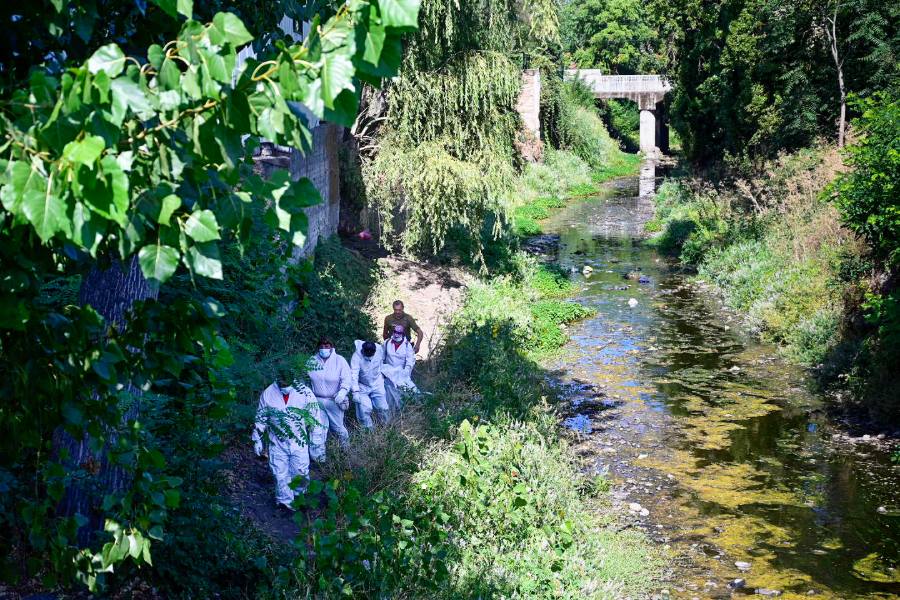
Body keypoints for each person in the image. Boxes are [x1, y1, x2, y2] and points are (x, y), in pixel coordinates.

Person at [251, 370, 316, 512]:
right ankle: (284, 503)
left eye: (288, 383)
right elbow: (261, 416)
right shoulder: (268, 393)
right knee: (279, 472)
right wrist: (257, 438)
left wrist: (316, 440)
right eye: (282, 383)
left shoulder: (305, 393)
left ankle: (300, 498)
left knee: (300, 471)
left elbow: (314, 417)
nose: (285, 385)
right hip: (277, 441)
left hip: (299, 439)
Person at [307, 338, 351, 448]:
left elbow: (347, 379)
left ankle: (346, 451)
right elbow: (305, 379)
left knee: (338, 428)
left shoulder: (339, 360)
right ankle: (319, 456)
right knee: (318, 429)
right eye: (321, 346)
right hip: (317, 401)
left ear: (331, 347)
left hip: (334, 400)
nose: (324, 349)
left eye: (326, 346)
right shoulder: (312, 361)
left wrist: (342, 392)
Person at [350, 340, 391, 427]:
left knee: (383, 407)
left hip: (377, 382)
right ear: (363, 351)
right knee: (364, 409)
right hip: (362, 385)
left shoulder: (379, 349)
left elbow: (381, 363)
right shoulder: (356, 357)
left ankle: (386, 428)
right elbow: (354, 374)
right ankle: (368, 431)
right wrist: (355, 391)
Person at [382, 324, 418, 412]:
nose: (396, 334)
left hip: (401, 373)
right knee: (389, 393)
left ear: (402, 334)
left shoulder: (407, 345)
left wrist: (406, 371)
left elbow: (410, 360)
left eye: (399, 333)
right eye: (395, 332)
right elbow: (381, 357)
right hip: (388, 372)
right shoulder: (386, 343)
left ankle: (408, 409)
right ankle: (391, 410)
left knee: (409, 391)